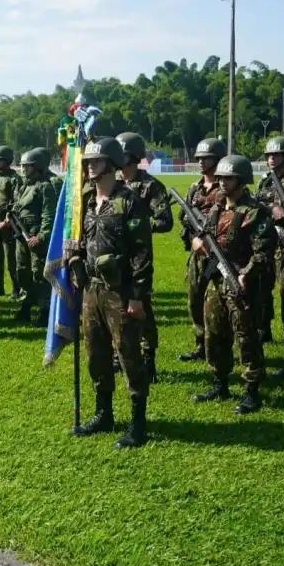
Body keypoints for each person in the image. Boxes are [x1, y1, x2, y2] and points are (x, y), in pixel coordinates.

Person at [71, 137, 153, 449]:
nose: (90, 165)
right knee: (96, 354)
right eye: (88, 161)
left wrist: (136, 296)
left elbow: (141, 253)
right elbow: (78, 240)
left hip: (121, 291)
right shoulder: (87, 200)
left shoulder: (128, 201)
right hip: (91, 289)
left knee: (129, 355)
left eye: (96, 160)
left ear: (112, 163)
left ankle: (138, 422)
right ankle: (103, 413)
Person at [191, 155, 275, 414]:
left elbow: (263, 251)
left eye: (228, 178)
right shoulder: (217, 207)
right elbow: (205, 235)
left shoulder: (254, 211)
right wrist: (199, 244)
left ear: (241, 180)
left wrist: (245, 274)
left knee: (246, 337)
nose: (223, 183)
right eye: (221, 178)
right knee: (214, 333)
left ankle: (252, 390)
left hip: (241, 283)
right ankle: (220, 382)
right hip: (216, 281)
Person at [117, 132, 174, 382]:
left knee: (141, 308)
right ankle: (119, 356)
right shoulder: (114, 183)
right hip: (115, 256)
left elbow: (165, 221)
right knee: (117, 305)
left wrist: (138, 226)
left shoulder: (151, 186)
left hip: (138, 256)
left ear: (134, 156)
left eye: (123, 153)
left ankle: (148, 357)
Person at [178, 138, 226, 362]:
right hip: (197, 253)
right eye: (198, 158)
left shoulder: (225, 187)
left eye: (205, 158)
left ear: (216, 160)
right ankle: (201, 343)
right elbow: (185, 219)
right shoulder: (194, 188)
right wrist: (193, 238)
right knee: (194, 298)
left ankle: (218, 346)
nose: (200, 162)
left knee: (219, 303)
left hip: (219, 254)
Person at [11, 148, 57, 327]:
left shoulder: (44, 186)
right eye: (22, 165)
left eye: (27, 166)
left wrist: (42, 236)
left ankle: (45, 311)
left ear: (37, 166)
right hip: (21, 236)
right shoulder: (24, 185)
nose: (23, 169)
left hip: (35, 237)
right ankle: (26, 306)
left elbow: (48, 214)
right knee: (22, 271)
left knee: (39, 274)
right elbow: (18, 206)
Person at [255, 136, 284, 347]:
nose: (271, 158)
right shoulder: (265, 180)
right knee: (261, 288)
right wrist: (271, 208)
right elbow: (256, 204)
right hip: (265, 243)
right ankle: (263, 329)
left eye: (275, 154)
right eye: (269, 155)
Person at [0, 146, 23, 299]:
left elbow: (16, 202)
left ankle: (16, 288)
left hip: (9, 224)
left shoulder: (15, 179)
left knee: (11, 259)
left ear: (8, 160)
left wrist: (7, 220)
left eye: (0, 160)